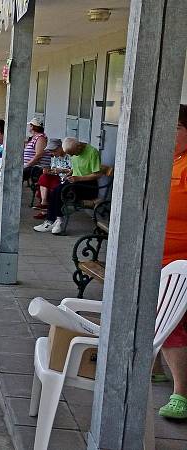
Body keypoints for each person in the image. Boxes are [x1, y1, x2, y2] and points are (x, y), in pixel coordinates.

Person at [158, 104, 187, 420]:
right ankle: (152, 369)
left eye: (176, 127)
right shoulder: (168, 161)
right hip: (157, 258)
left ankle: (181, 393)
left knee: (172, 322)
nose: (168, 132)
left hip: (180, 264)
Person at [33, 137, 101, 234]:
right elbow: (75, 168)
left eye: (73, 153)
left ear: (79, 147)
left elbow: (98, 174)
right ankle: (53, 221)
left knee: (62, 191)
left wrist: (79, 178)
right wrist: (69, 174)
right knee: (56, 190)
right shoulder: (73, 151)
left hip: (88, 186)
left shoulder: (92, 152)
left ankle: (57, 222)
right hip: (75, 182)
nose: (71, 155)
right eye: (70, 154)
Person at [32, 139, 69, 219]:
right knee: (44, 176)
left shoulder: (70, 156)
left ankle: (45, 209)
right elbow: (53, 168)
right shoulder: (54, 157)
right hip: (56, 177)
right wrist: (49, 171)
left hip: (65, 179)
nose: (52, 153)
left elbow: (74, 170)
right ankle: (44, 203)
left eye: (54, 151)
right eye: (51, 151)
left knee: (50, 185)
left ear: (60, 147)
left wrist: (62, 170)